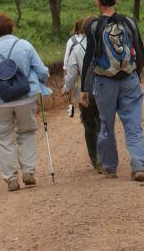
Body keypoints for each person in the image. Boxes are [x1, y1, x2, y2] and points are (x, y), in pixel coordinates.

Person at [0, 13, 52, 192]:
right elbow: (42, 71)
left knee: (3, 139)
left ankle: (11, 179)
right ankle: (29, 171)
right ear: (12, 28)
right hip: (26, 97)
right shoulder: (25, 45)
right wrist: (41, 81)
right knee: (27, 132)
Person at [80, 0, 144, 181]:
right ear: (116, 1)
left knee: (106, 125)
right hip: (129, 79)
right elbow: (140, 51)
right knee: (133, 124)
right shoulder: (129, 22)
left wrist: (85, 88)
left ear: (97, 2)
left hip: (104, 82)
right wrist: (136, 74)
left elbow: (89, 57)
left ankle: (110, 166)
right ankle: (138, 165)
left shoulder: (93, 26)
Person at [63, 18, 101, 172]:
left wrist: (66, 88)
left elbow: (71, 73)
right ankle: (105, 157)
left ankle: (96, 159)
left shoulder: (77, 48)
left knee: (89, 126)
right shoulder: (105, 43)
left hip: (85, 92)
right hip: (106, 91)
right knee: (103, 124)